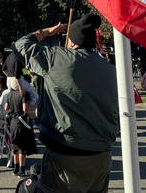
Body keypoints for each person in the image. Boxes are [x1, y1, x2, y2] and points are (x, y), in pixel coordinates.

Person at [14, 14, 118, 193]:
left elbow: (21, 45)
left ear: (72, 42)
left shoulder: (58, 58)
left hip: (66, 154)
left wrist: (50, 31)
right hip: (101, 155)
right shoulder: (110, 69)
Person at [5, 85, 37, 177]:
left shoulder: (10, 93)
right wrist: (31, 107)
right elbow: (24, 109)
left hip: (12, 123)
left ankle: (15, 169)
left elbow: (6, 108)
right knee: (22, 149)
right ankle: (22, 170)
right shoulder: (23, 94)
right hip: (22, 123)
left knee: (15, 147)